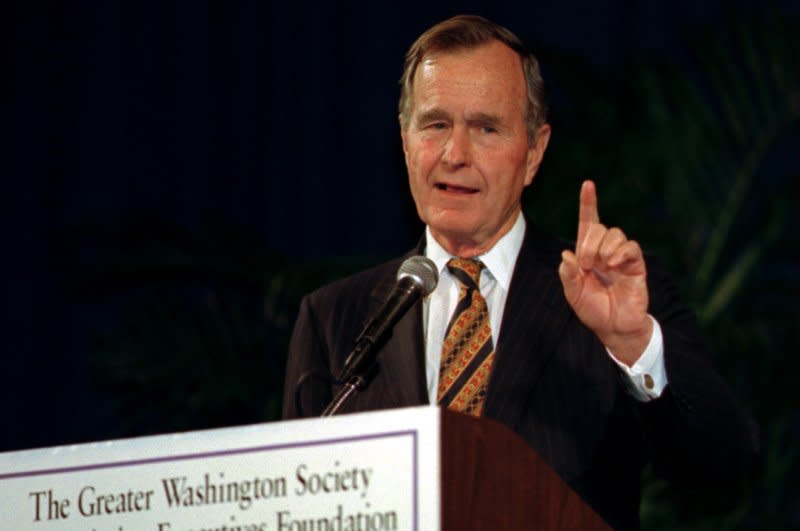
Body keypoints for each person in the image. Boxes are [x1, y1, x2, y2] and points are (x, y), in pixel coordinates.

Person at [283, 15, 758, 530]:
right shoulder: (334, 318)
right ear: (404, 141)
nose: (455, 154)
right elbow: (293, 502)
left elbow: (724, 469)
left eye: (486, 128)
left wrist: (633, 345)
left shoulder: (608, 300)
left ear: (534, 153)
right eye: (436, 124)